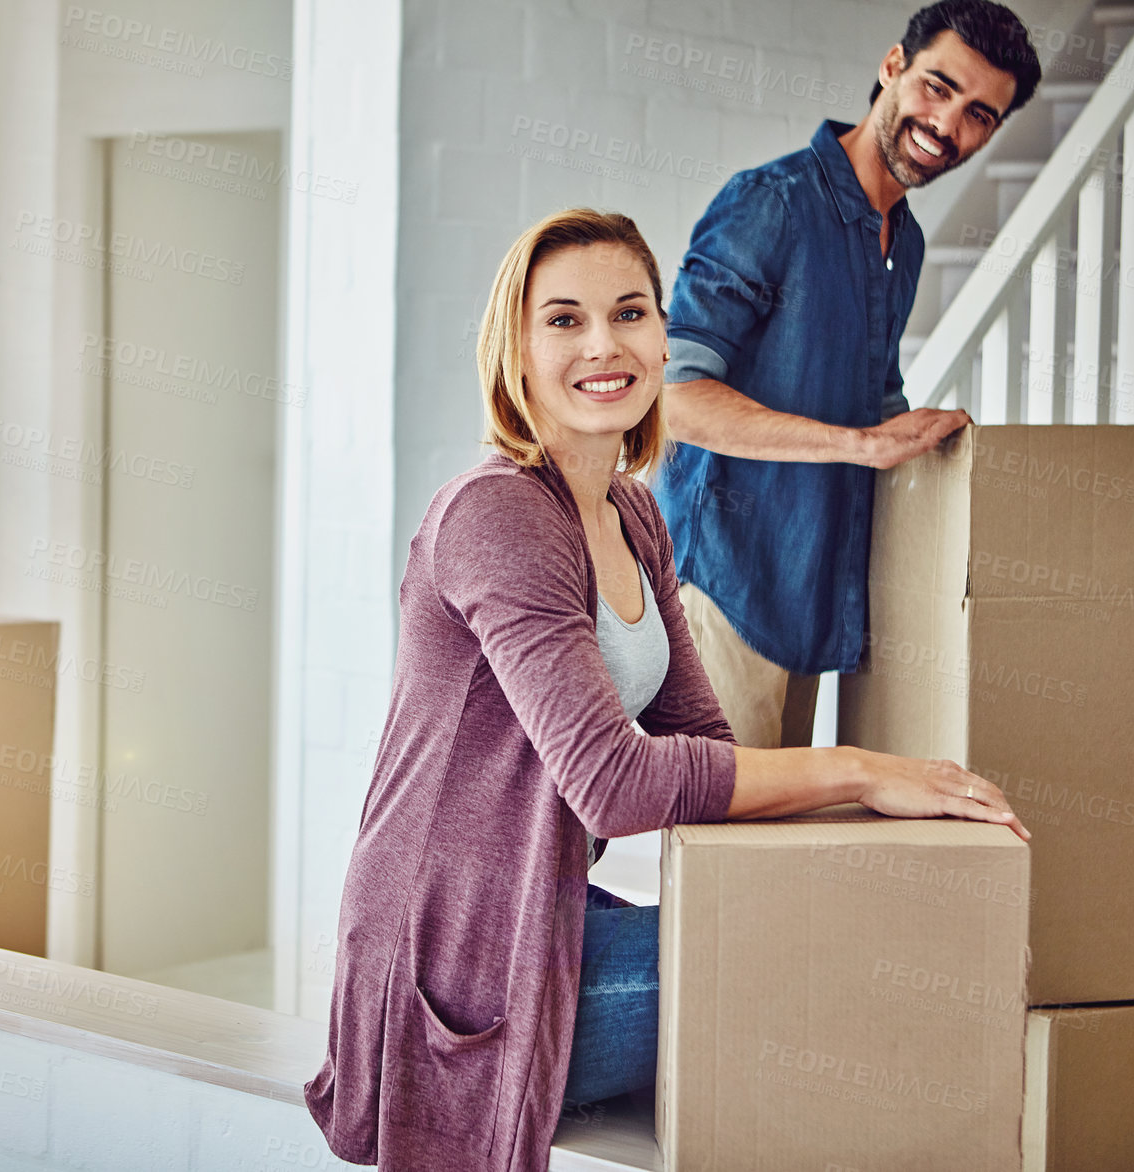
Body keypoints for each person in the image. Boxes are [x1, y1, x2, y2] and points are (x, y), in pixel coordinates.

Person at [302, 208, 1030, 1172]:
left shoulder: (633, 513)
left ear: (660, 336)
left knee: (851, 923)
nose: (603, 344)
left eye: (629, 313)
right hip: (457, 966)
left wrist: (863, 847)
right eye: (562, 320)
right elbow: (614, 786)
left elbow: (698, 735)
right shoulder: (496, 515)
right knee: (833, 961)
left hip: (550, 908)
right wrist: (864, 771)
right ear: (514, 352)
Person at [656, 0, 1043, 748]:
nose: (946, 125)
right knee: (727, 849)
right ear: (891, 66)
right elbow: (675, 400)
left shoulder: (905, 241)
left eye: (978, 116)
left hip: (808, 589)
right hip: (725, 586)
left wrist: (913, 432)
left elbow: (864, 395)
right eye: (937, 86)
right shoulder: (769, 205)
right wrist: (854, 442)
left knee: (777, 843)